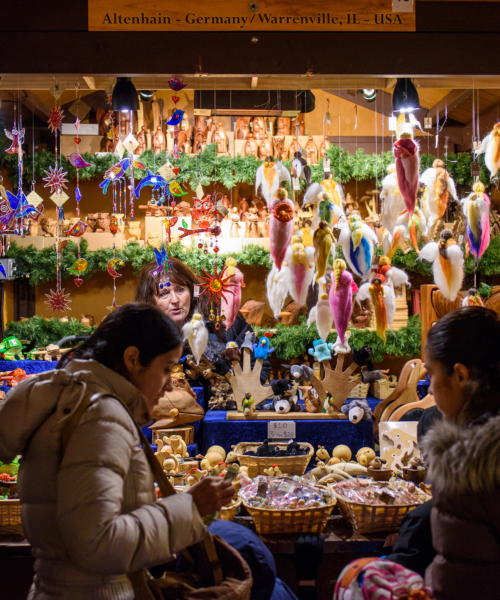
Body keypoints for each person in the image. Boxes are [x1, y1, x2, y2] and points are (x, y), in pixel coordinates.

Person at [0, 303, 234, 600]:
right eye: (165, 369)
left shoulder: (78, 401)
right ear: (133, 359)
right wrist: (187, 509)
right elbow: (96, 543)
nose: (166, 388)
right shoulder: (100, 416)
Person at [420, 306, 500, 599]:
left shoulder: (467, 467)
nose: (430, 390)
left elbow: (458, 585)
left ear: (460, 375)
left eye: (430, 374)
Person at [135, 257, 270, 380]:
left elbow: (259, 367)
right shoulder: (143, 336)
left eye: (180, 290)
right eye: (164, 293)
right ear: (150, 300)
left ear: (192, 291)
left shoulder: (224, 320)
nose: (175, 300)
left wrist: (236, 395)